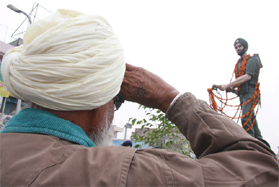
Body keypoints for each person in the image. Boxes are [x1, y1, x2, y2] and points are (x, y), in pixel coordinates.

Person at [0, 10, 278, 186]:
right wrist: (170, 97)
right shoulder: (121, 174)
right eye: (115, 99)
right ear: (102, 99)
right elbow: (262, 170)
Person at [214, 38, 265, 142]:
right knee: (251, 119)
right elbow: (239, 83)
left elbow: (247, 77)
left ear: (245, 47)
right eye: (236, 47)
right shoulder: (239, 63)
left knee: (246, 118)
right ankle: (260, 141)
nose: (237, 49)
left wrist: (228, 85)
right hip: (243, 95)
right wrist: (224, 87)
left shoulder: (253, 59)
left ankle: (250, 143)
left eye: (240, 46)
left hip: (251, 94)